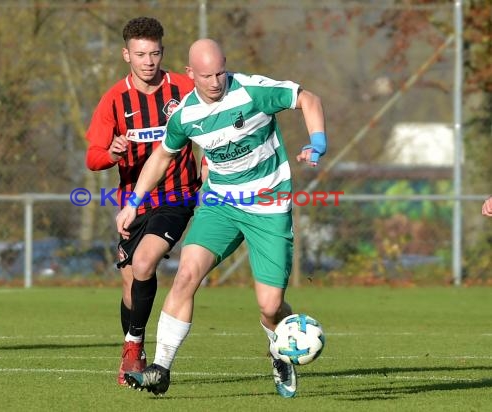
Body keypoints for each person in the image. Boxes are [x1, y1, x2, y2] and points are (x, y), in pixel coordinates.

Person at [116, 38, 327, 398]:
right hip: (220, 204)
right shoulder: (185, 115)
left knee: (270, 306)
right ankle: (161, 369)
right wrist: (134, 201)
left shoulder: (253, 91)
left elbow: (308, 99)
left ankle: (280, 349)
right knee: (185, 274)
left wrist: (317, 142)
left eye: (220, 72)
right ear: (190, 74)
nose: (215, 82)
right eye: (206, 76)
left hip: (268, 205)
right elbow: (162, 157)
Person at [85, 17, 201, 386]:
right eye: (140, 54)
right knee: (129, 281)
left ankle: (133, 348)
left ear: (162, 52)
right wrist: (112, 153)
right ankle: (132, 346)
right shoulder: (114, 100)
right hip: (132, 203)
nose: (148, 61)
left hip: (177, 197)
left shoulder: (184, 88)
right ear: (126, 55)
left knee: (144, 262)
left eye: (154, 53)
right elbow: (92, 157)